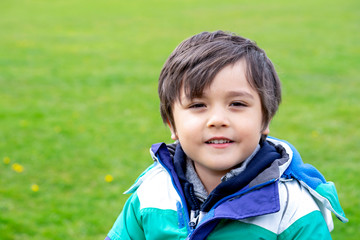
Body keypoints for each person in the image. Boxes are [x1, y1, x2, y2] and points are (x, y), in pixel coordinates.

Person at [105, 31, 348, 240]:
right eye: (198, 105)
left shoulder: (292, 207)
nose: (218, 120)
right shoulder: (152, 193)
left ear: (265, 119)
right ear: (172, 125)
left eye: (237, 104)